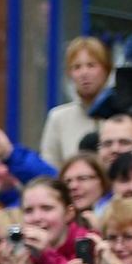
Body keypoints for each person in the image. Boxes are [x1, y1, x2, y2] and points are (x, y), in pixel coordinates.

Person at [39, 37, 117, 167]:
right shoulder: (58, 118)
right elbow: (49, 170)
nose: (84, 73)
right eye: (77, 67)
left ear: (106, 70)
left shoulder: (122, 117)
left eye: (91, 65)